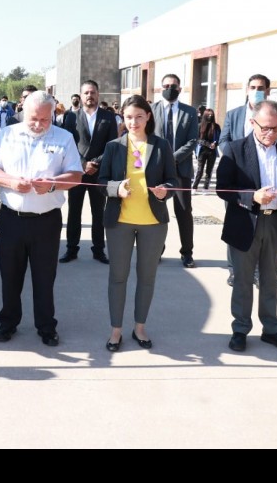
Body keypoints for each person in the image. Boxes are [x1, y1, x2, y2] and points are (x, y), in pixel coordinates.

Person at [0, 90, 82, 347]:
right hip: (11, 219)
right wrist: (11, 181)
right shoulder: (7, 135)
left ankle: (46, 326)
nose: (38, 124)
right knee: (10, 276)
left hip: (46, 222)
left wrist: (53, 183)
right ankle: (8, 322)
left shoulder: (64, 138)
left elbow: (76, 175)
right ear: (23, 113)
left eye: (45, 119)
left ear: (53, 115)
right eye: (33, 119)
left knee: (44, 278)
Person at [216, 100, 277, 354]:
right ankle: (240, 329)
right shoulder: (235, 149)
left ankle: (272, 329)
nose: (271, 134)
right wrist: (251, 197)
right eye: (265, 128)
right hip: (245, 222)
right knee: (243, 280)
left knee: (270, 279)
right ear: (252, 123)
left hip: (276, 221)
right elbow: (223, 188)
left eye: (276, 128)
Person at [98, 94, 177, 352]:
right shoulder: (113, 146)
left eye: (139, 117)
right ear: (123, 117)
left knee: (147, 277)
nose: (133, 122)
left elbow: (173, 180)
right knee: (117, 277)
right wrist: (116, 189)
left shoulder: (161, 145)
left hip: (153, 222)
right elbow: (101, 182)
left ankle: (139, 327)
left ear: (148, 117)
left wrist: (165, 190)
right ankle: (116, 330)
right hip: (119, 221)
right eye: (129, 117)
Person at [219, 73, 277, 286]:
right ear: (247, 89)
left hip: (269, 180)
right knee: (237, 225)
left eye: (261, 87)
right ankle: (234, 269)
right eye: (253, 87)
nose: (256, 90)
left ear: (267, 91)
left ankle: (259, 272)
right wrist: (237, 156)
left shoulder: (276, 115)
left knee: (265, 231)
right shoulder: (234, 114)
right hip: (239, 180)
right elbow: (224, 140)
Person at [60, 80, 118, 264]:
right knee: (74, 212)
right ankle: (71, 249)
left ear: (98, 94)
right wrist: (84, 164)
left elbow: (112, 145)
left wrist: (95, 164)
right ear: (81, 95)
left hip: (99, 173)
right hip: (77, 172)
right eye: (86, 93)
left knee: (98, 213)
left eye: (92, 92)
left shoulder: (109, 117)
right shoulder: (71, 117)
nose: (89, 96)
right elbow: (68, 144)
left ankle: (99, 250)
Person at [152, 73, 199, 268]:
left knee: (184, 211)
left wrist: (173, 158)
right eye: (166, 86)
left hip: (181, 170)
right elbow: (148, 137)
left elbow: (193, 140)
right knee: (157, 211)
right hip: (157, 169)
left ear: (180, 88)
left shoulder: (190, 112)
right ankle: (156, 250)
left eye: (173, 86)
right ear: (160, 88)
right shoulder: (151, 110)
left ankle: (187, 252)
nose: (169, 89)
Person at [192, 108, 221, 192]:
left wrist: (215, 144)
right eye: (208, 115)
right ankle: (194, 187)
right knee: (200, 170)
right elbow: (197, 139)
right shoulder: (199, 126)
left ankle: (205, 187)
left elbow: (219, 138)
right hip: (202, 150)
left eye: (211, 115)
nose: (210, 116)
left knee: (209, 170)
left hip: (212, 151)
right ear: (205, 116)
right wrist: (208, 144)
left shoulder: (216, 127)